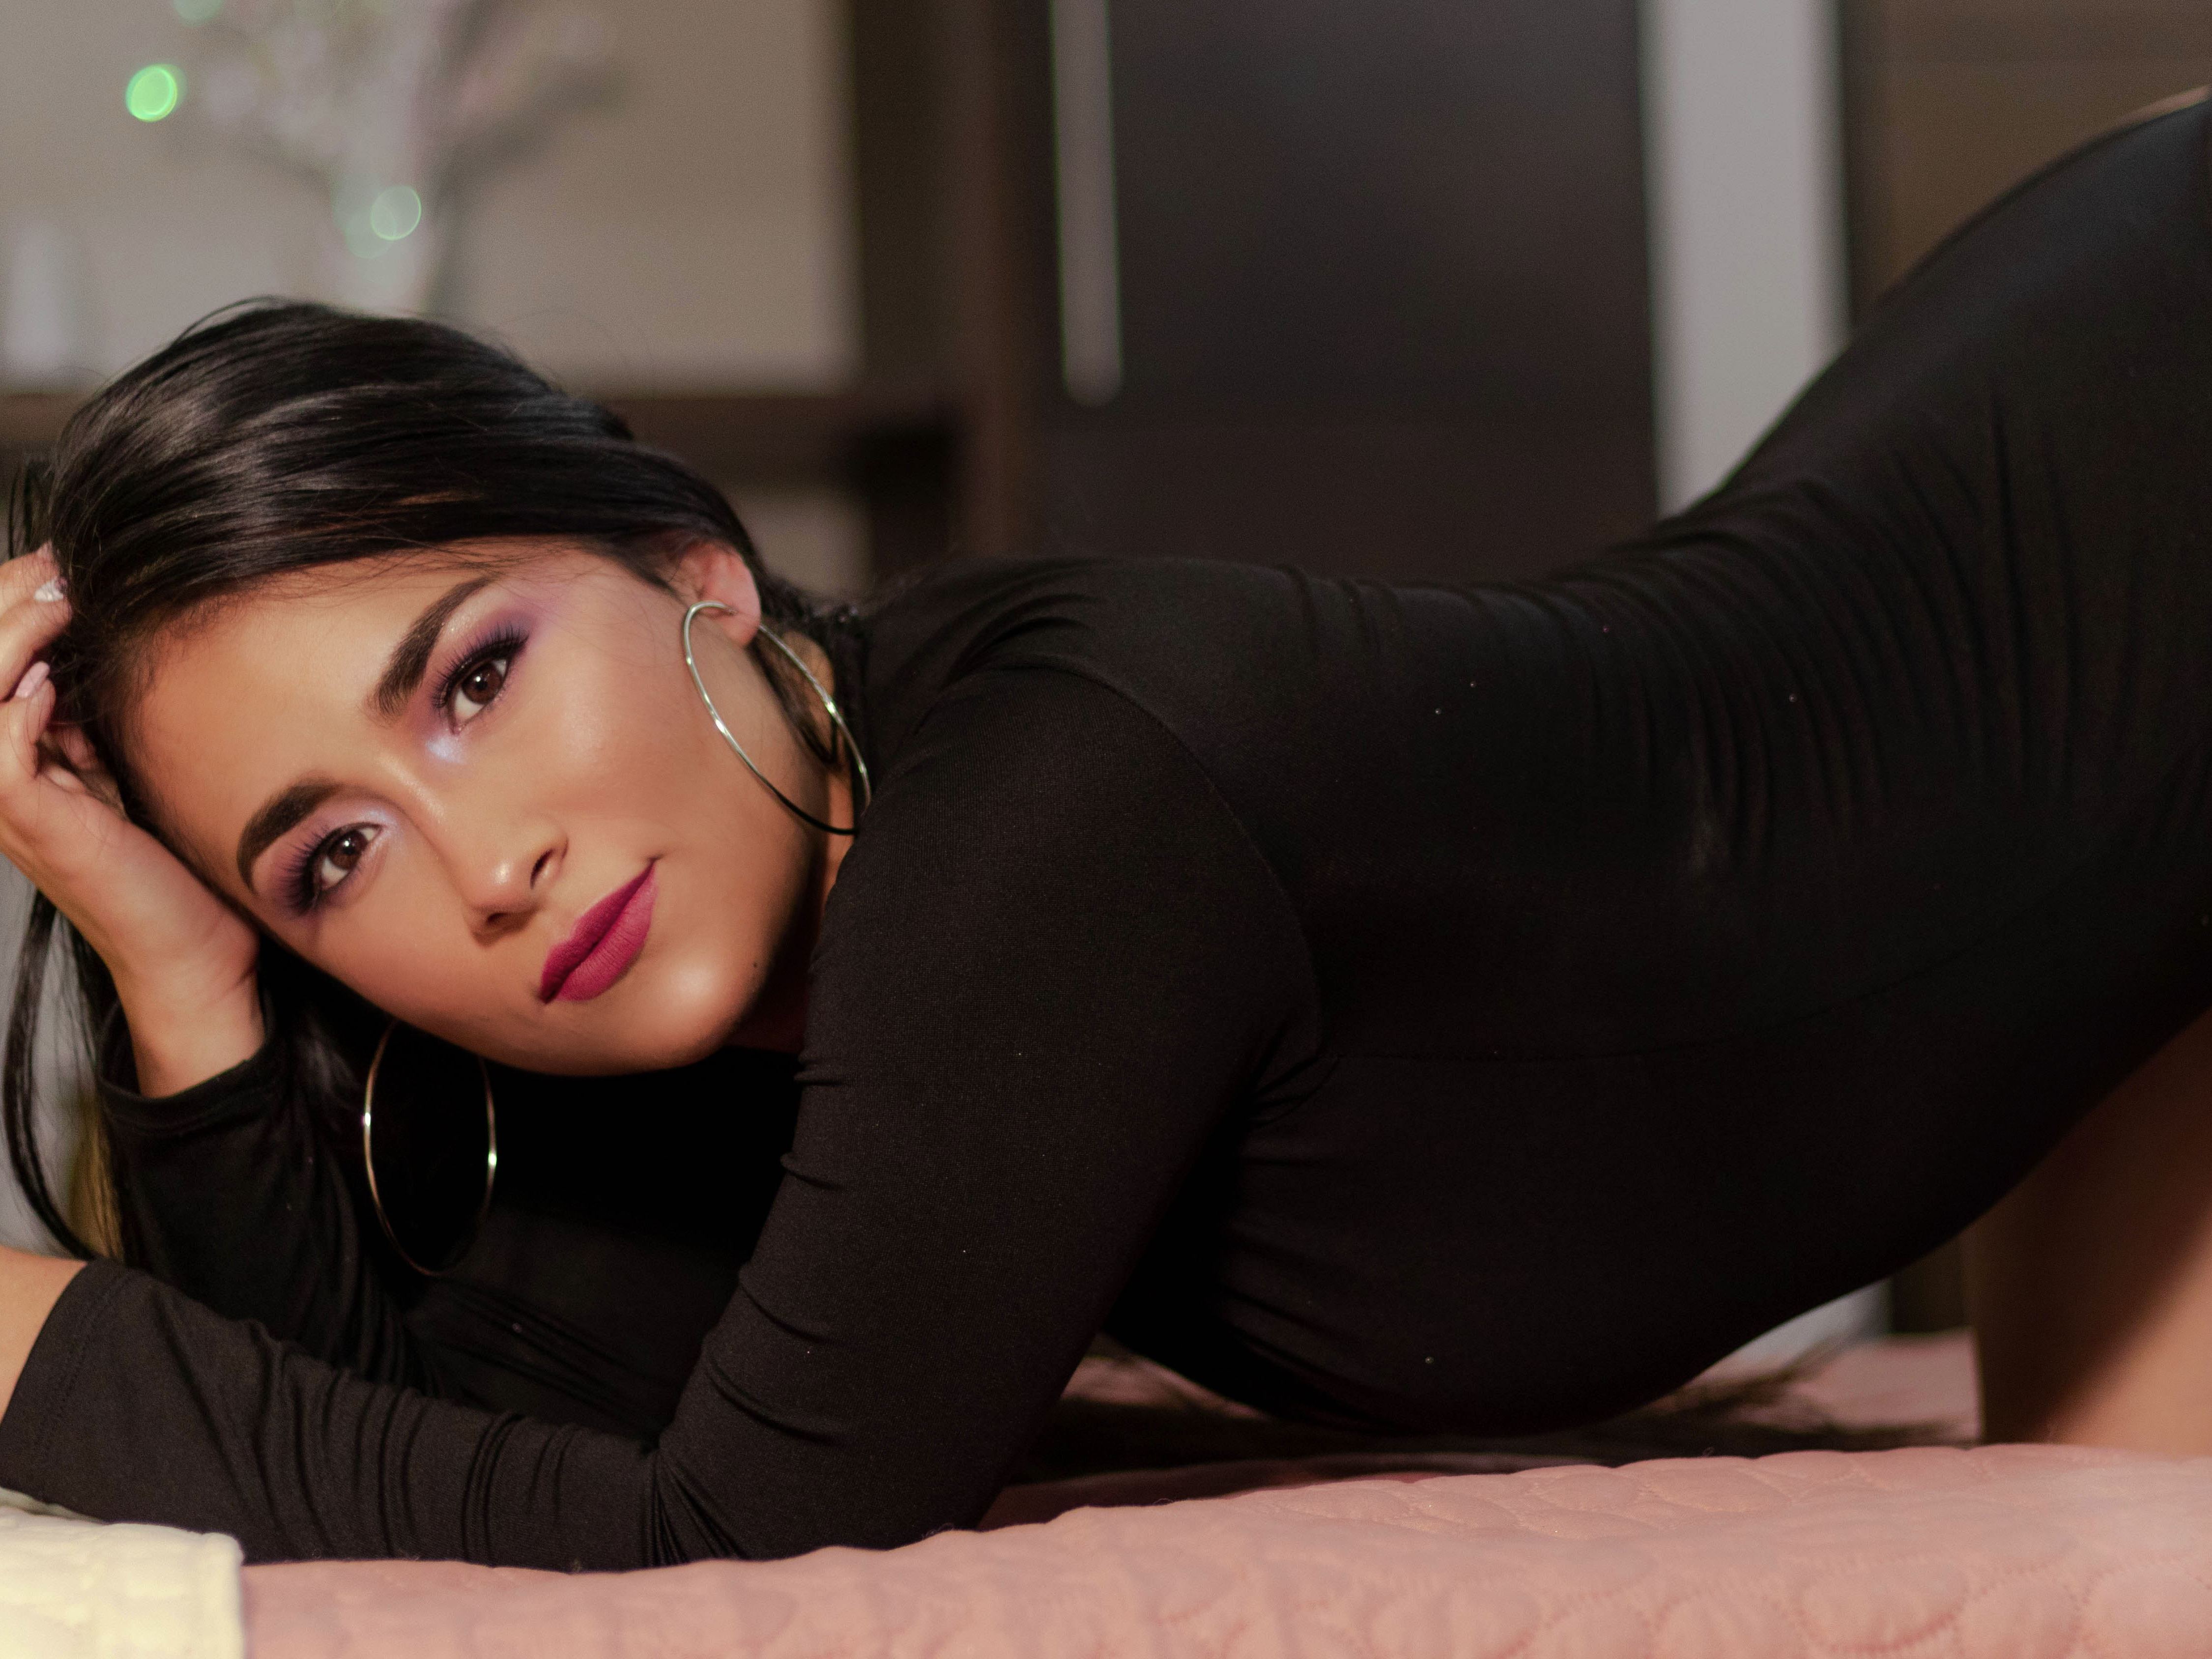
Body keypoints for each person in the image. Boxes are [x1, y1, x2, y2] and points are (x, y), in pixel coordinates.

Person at [2, 93, 2212, 1569]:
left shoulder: (1055, 816)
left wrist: (30, 1345)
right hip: (2097, 849)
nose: (485, 865)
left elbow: (730, 1536)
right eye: (328, 859)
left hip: (2154, 445)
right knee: (2126, 1562)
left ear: (695, 569)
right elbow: (455, 1451)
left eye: (476, 678)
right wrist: (171, 957)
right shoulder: (734, 976)